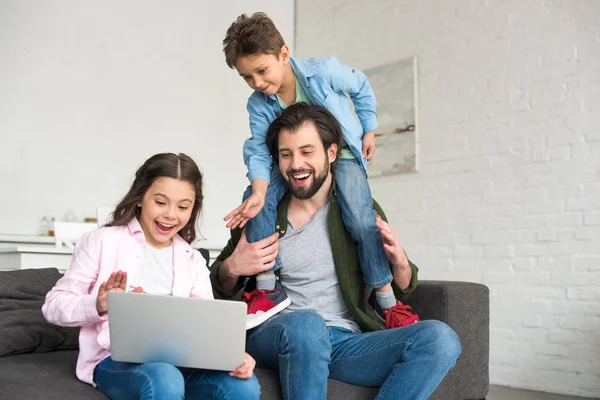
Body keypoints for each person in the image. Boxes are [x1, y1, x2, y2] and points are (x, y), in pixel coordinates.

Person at [210, 104, 462, 400]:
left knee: (440, 339)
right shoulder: (261, 211)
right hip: (278, 335)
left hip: (344, 343)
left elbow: (402, 290)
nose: (295, 165)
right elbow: (215, 286)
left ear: (331, 153)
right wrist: (232, 267)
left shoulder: (357, 209)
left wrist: (401, 263)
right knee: (307, 324)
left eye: (307, 152)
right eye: (286, 154)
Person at [222, 12, 404, 329]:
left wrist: (369, 128)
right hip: (282, 162)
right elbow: (258, 150)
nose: (257, 83)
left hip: (344, 153)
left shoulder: (322, 72)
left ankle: (386, 302)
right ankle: (268, 288)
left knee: (361, 219)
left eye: (261, 71)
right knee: (254, 198)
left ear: (284, 54)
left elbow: (359, 85)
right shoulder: (258, 104)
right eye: (247, 77)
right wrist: (261, 191)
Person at [42, 153, 260, 400]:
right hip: (114, 360)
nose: (170, 214)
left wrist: (232, 355)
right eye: (160, 202)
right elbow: (53, 306)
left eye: (182, 207)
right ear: (140, 198)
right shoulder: (102, 242)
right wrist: (98, 304)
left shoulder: (193, 260)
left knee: (244, 385)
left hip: (182, 363)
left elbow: (206, 328)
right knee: (165, 377)